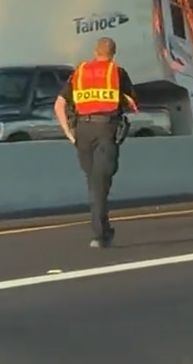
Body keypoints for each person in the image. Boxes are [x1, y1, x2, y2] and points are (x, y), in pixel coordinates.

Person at [53, 36, 138, 248]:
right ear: (113, 53)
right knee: (101, 182)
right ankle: (100, 233)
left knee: (93, 181)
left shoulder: (79, 72)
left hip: (82, 131)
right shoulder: (116, 73)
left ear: (95, 51)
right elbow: (134, 104)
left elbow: (59, 105)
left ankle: (103, 228)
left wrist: (69, 133)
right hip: (106, 129)